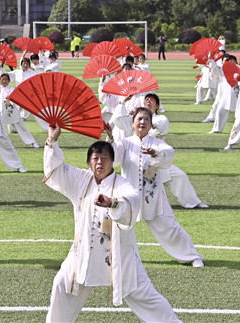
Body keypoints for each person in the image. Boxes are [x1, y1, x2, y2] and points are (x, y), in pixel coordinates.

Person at [43, 125, 181, 323]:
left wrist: (113, 203)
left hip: (119, 255)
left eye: (105, 158)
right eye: (95, 159)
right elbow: (56, 171)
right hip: (83, 253)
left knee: (146, 296)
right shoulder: (80, 179)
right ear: (89, 162)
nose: (100, 162)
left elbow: (133, 200)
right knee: (61, 284)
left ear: (112, 162)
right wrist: (52, 142)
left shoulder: (122, 184)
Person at [108, 107, 204, 266]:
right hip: (129, 197)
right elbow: (114, 160)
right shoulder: (125, 143)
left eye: (146, 119)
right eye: (139, 119)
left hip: (154, 196)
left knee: (171, 227)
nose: (142, 122)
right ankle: (108, 259)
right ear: (132, 123)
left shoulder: (157, 143)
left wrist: (154, 153)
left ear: (151, 124)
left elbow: (169, 154)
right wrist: (110, 139)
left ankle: (192, 256)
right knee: (114, 226)